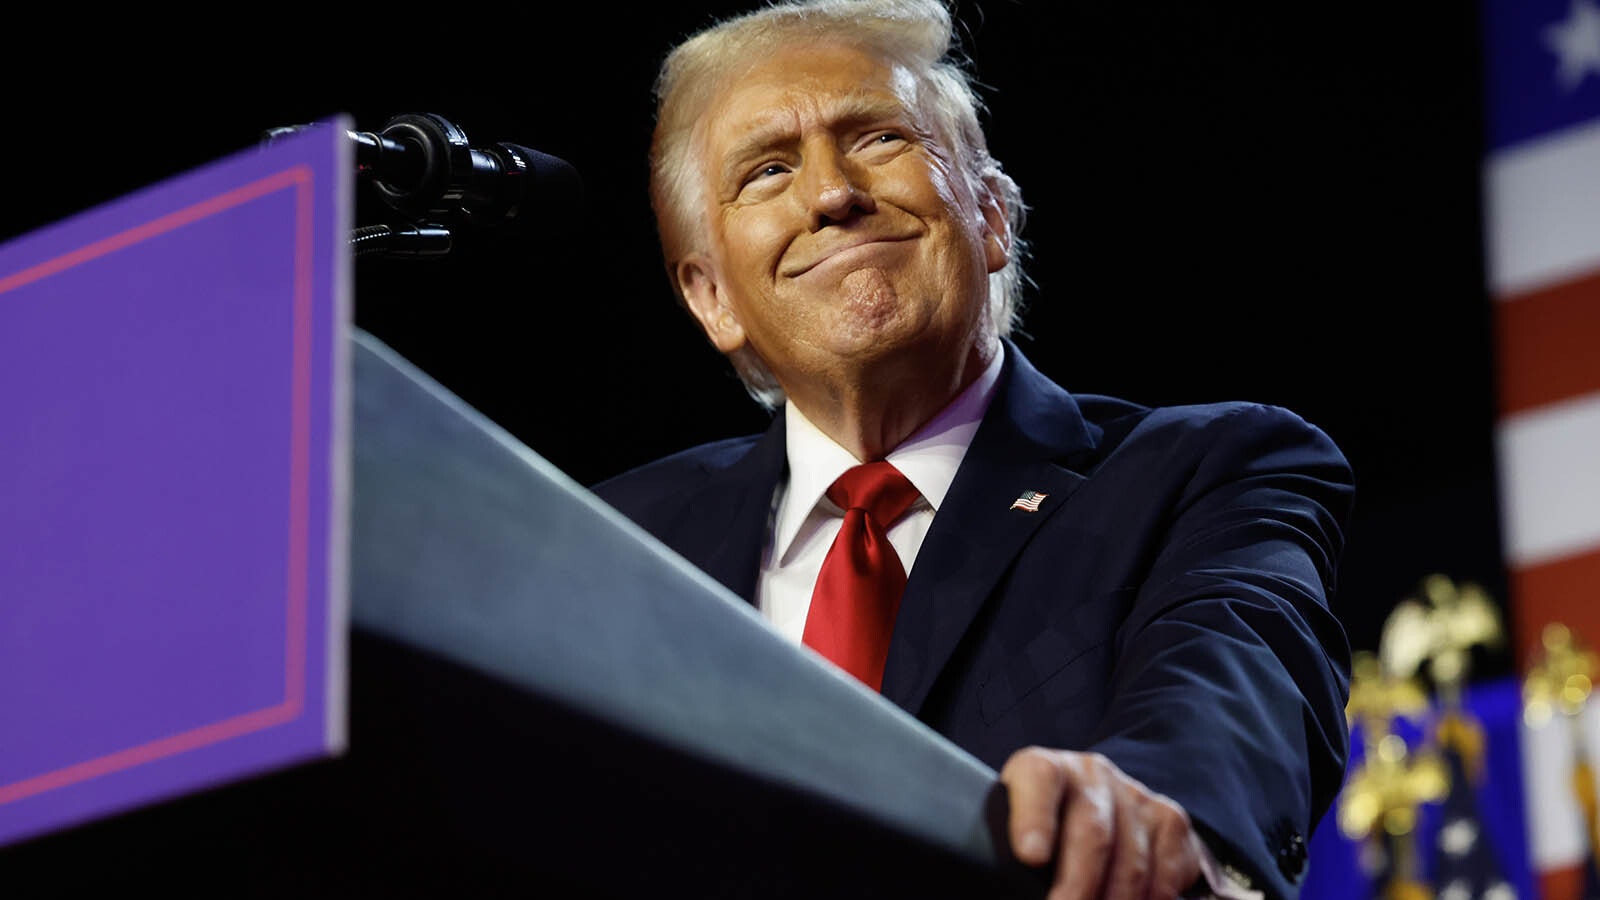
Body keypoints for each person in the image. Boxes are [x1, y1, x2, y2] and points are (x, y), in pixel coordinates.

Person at [591, 2, 1356, 898]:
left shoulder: (1204, 473)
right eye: (768, 170)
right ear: (711, 296)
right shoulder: (610, 543)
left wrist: (1152, 806)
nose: (832, 194)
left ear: (992, 215)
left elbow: (1235, 677)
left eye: (877, 138)